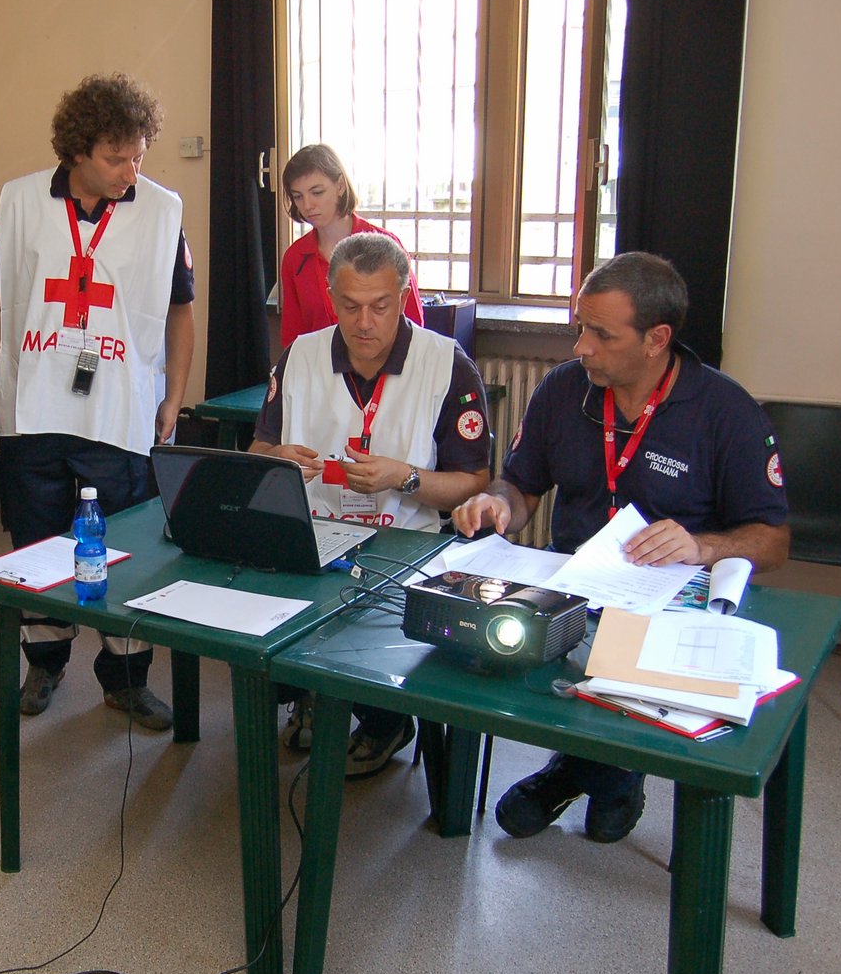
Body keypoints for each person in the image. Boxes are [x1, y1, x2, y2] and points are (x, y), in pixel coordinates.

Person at [451, 251, 790, 842]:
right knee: (466, 652)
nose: (581, 346)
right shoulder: (562, 390)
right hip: (572, 588)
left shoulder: (725, 411)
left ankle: (584, 772)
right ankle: (600, 772)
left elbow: (774, 540)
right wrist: (502, 504)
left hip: (670, 601)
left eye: (601, 334)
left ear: (657, 338)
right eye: (580, 327)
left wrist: (703, 546)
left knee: (614, 659)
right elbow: (521, 484)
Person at [0, 73, 196, 732]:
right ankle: (45, 660)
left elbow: (180, 312)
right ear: (76, 152)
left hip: (118, 411)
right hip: (33, 406)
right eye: (117, 157)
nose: (132, 170)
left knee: (123, 550)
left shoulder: (161, 209)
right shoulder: (18, 203)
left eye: (140, 154)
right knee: (36, 544)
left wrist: (173, 397)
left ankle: (126, 679)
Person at [251, 232, 491, 775]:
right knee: (252, 625)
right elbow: (258, 450)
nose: (364, 323)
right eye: (350, 306)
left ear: (403, 294)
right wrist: (276, 460)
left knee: (372, 629)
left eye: (381, 306)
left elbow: (475, 481)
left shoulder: (445, 363)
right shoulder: (301, 356)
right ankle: (311, 695)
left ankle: (386, 721)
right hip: (312, 537)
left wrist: (405, 478)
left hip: (404, 548)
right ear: (331, 297)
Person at [279, 143, 423, 350]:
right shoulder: (295, 257)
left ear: (340, 186)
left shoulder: (384, 246)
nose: (308, 205)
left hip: (382, 371)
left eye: (317, 192)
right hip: (319, 375)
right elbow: (292, 339)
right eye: (298, 196)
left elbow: (413, 326)